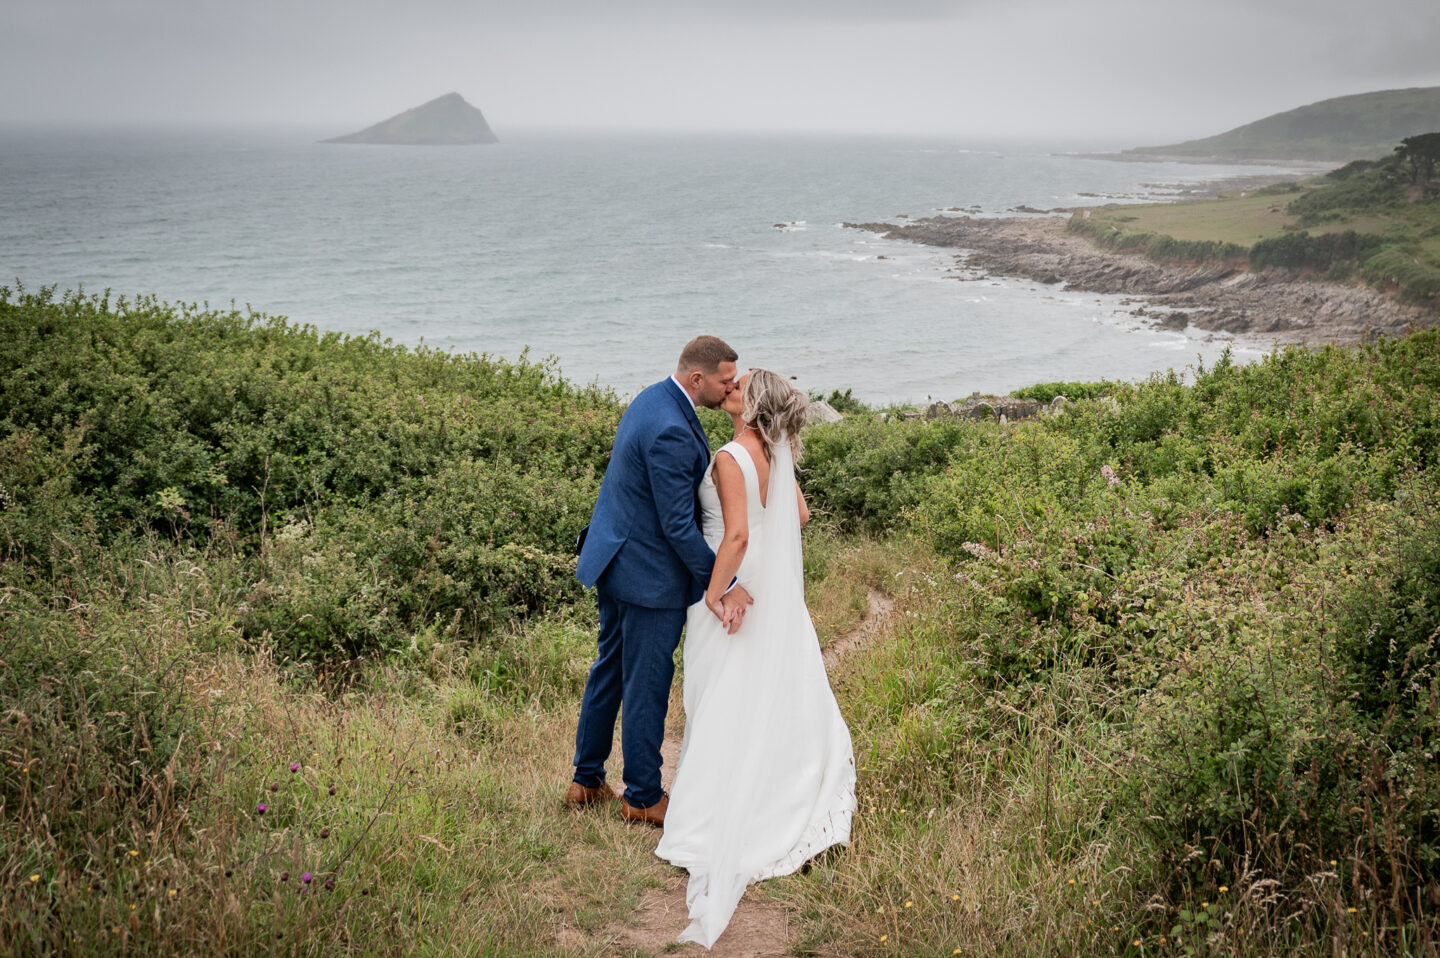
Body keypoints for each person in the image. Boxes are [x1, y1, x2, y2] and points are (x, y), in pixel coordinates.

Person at [655, 369, 857, 949]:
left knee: (723, 695)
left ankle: (724, 807)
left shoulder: (728, 455)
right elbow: (797, 517)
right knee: (765, 692)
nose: (730, 389)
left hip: (737, 586)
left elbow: (737, 536)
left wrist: (717, 592)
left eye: (740, 386)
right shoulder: (774, 450)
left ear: (750, 405)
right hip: (776, 592)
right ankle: (778, 787)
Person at [567, 336, 753, 825]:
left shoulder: (654, 397)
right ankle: (643, 796)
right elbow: (677, 526)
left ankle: (585, 781)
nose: (731, 386)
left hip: (616, 556)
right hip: (647, 575)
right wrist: (722, 581)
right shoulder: (671, 426)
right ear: (698, 379)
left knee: (610, 667)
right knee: (647, 681)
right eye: (725, 380)